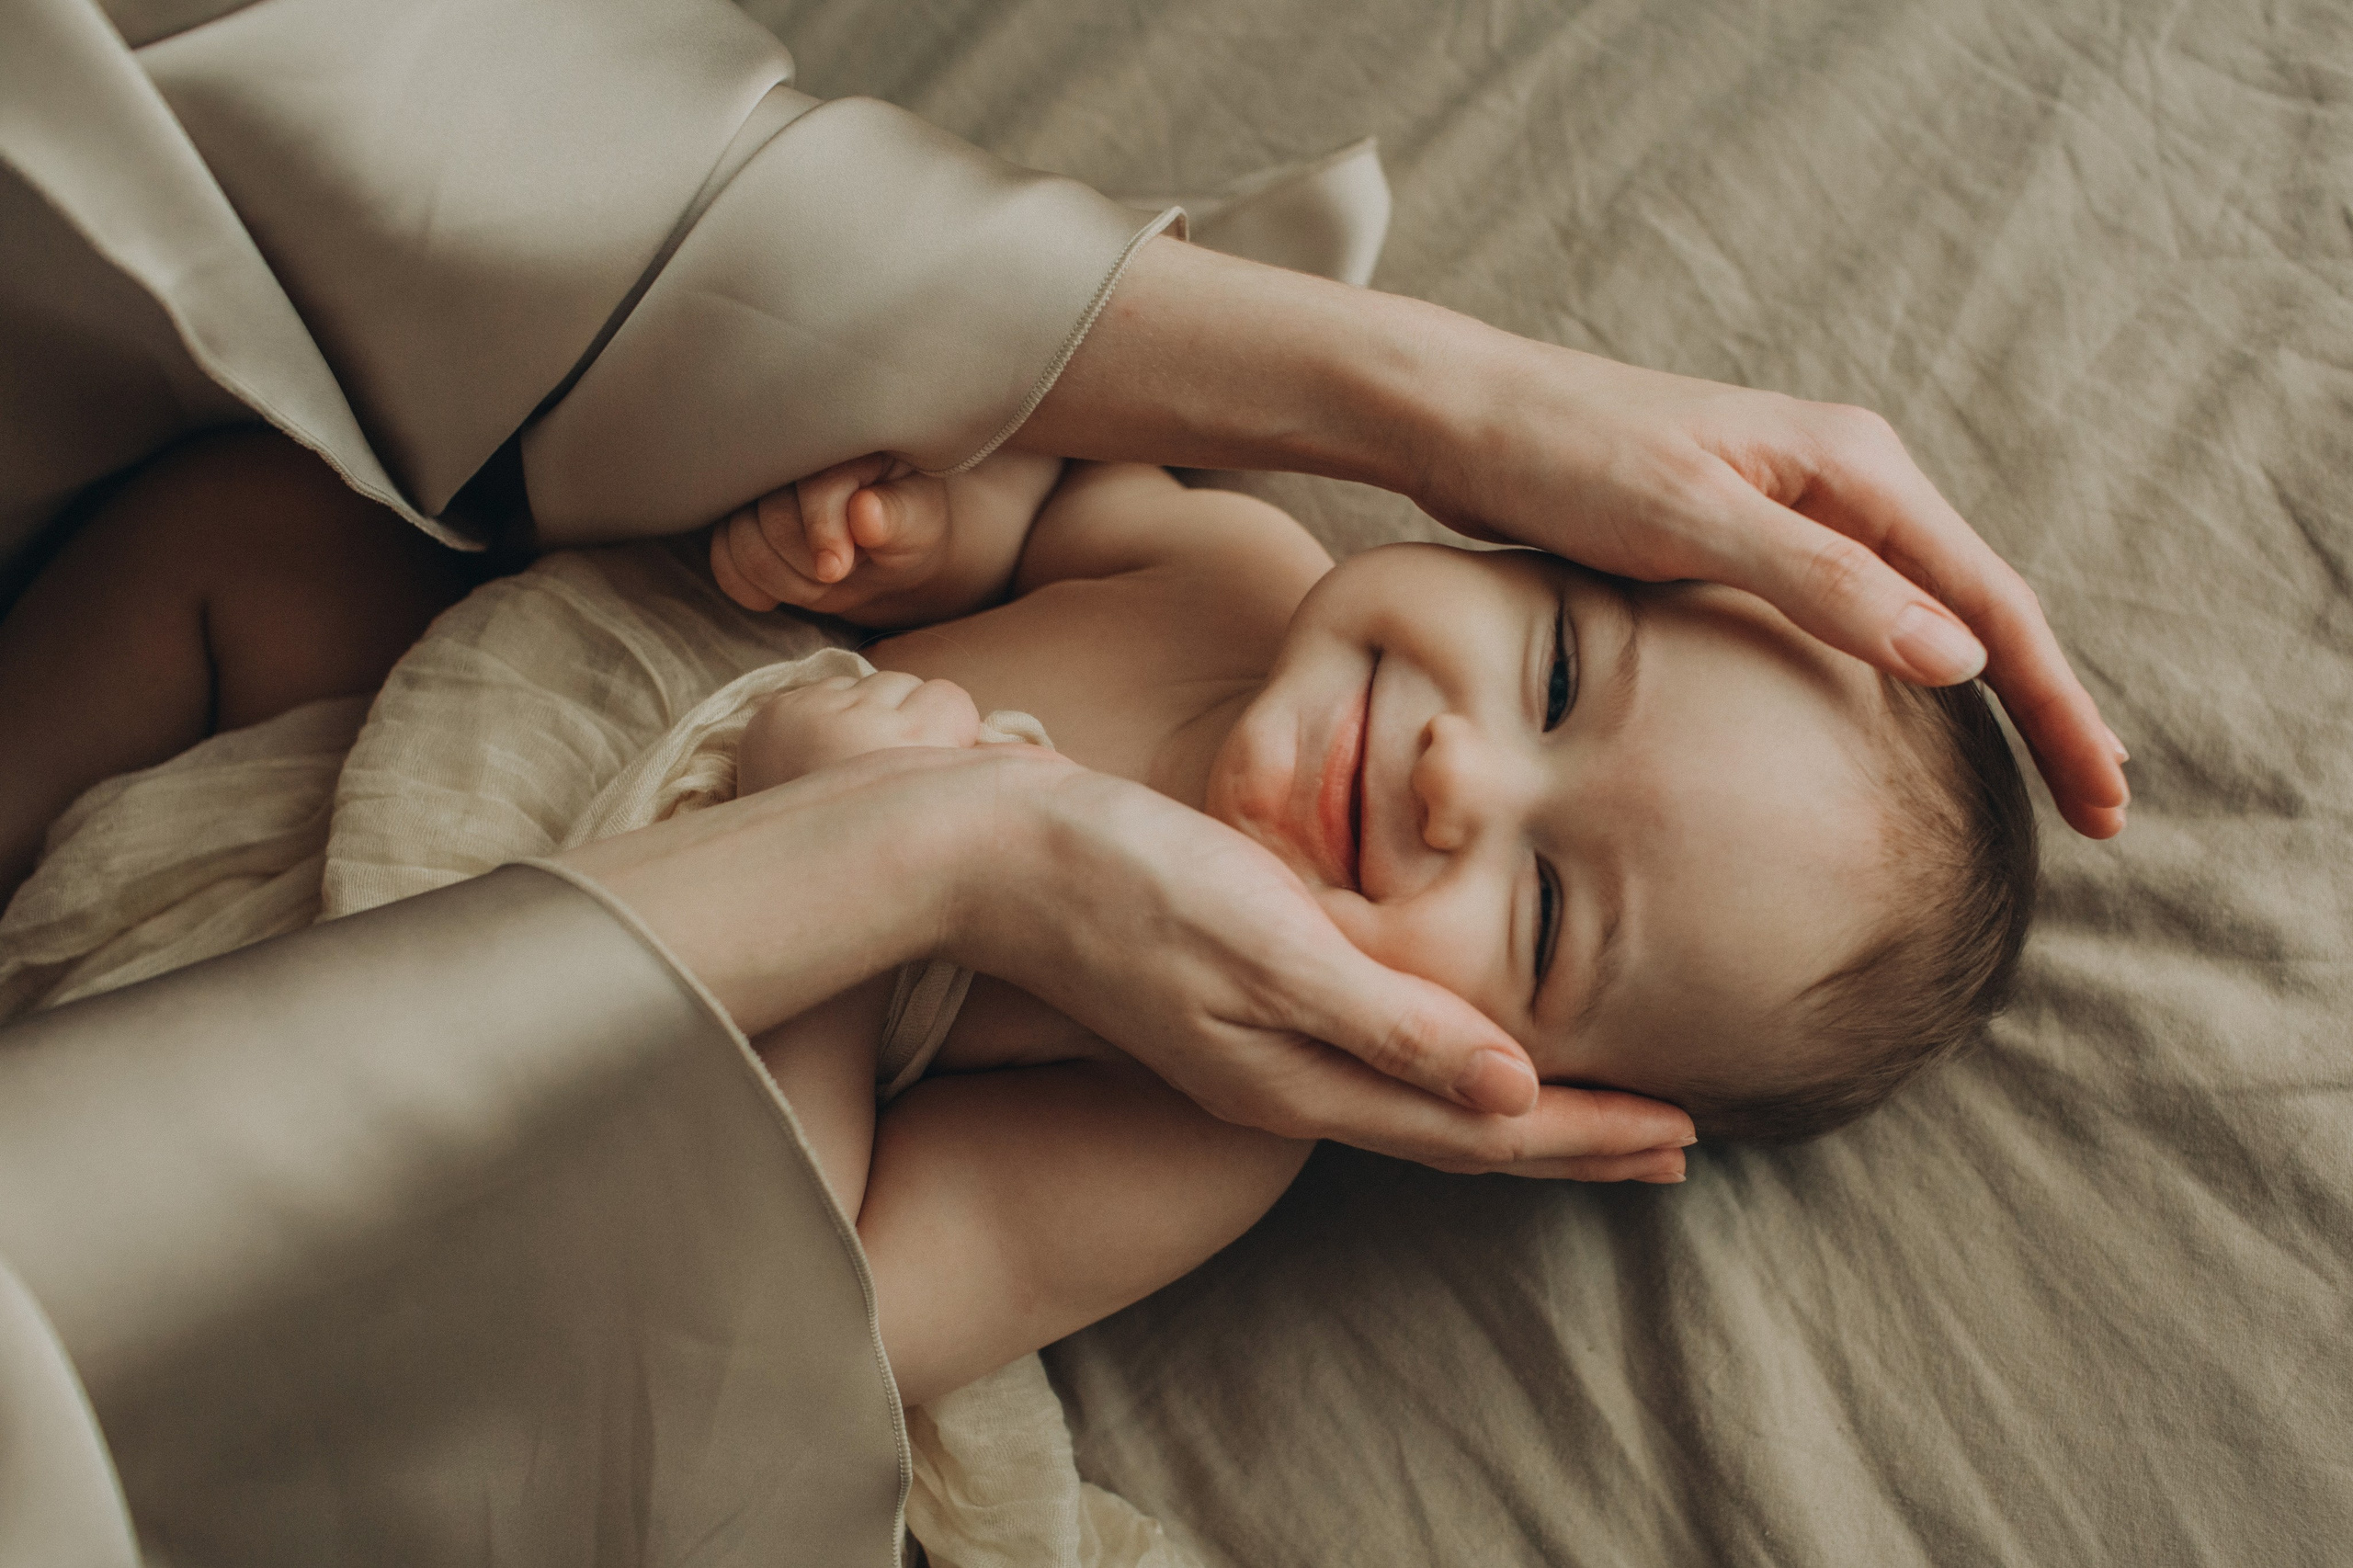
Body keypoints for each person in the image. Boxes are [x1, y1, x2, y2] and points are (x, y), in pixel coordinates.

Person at [0, 0, 2128, 1558]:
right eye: (1558, 664)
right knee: (237, 539)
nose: (1467, 786)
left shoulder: (1203, 1120)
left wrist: (835, 878)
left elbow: (807, 1298)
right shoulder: (1228, 561)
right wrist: (893, 539)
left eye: (1551, 913)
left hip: (475, 1130)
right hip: (423, 750)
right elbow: (1016, 504)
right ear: (1501, 538)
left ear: (1515, 1081)